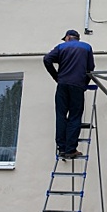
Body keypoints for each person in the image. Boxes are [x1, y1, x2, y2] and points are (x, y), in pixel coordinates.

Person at [43, 29, 95, 159]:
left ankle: (62, 148)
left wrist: (56, 77)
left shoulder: (61, 47)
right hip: (77, 85)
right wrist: (84, 84)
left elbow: (47, 59)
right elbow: (91, 68)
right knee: (75, 116)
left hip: (62, 85)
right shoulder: (86, 47)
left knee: (61, 115)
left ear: (67, 37)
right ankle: (71, 149)